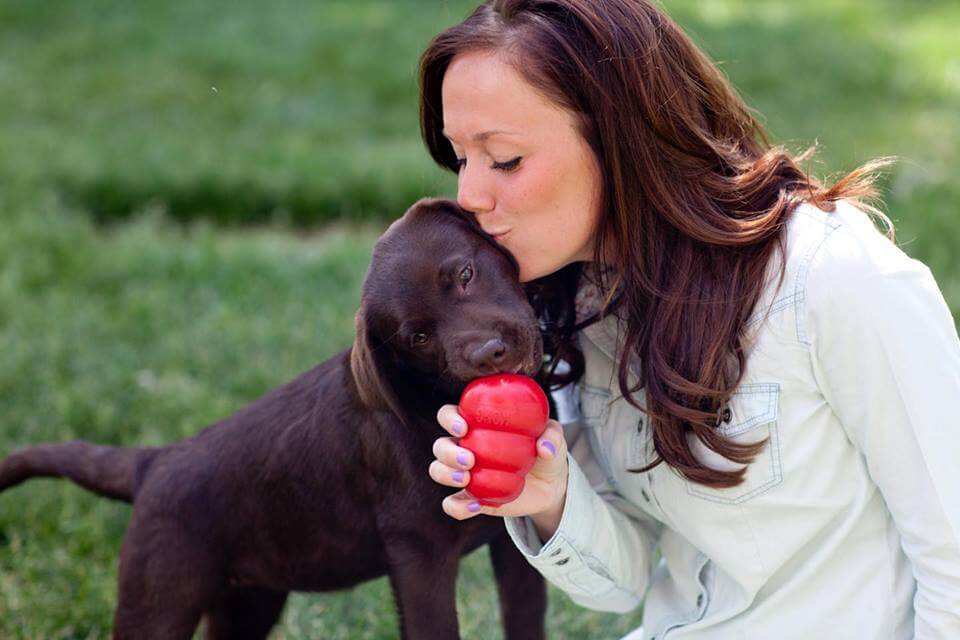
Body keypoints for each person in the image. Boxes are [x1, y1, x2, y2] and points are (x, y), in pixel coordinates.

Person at [419, 1, 960, 638]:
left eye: (504, 159)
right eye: (460, 158)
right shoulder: (580, 303)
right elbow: (624, 582)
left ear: (621, 137)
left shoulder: (832, 277)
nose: (469, 197)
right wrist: (548, 496)